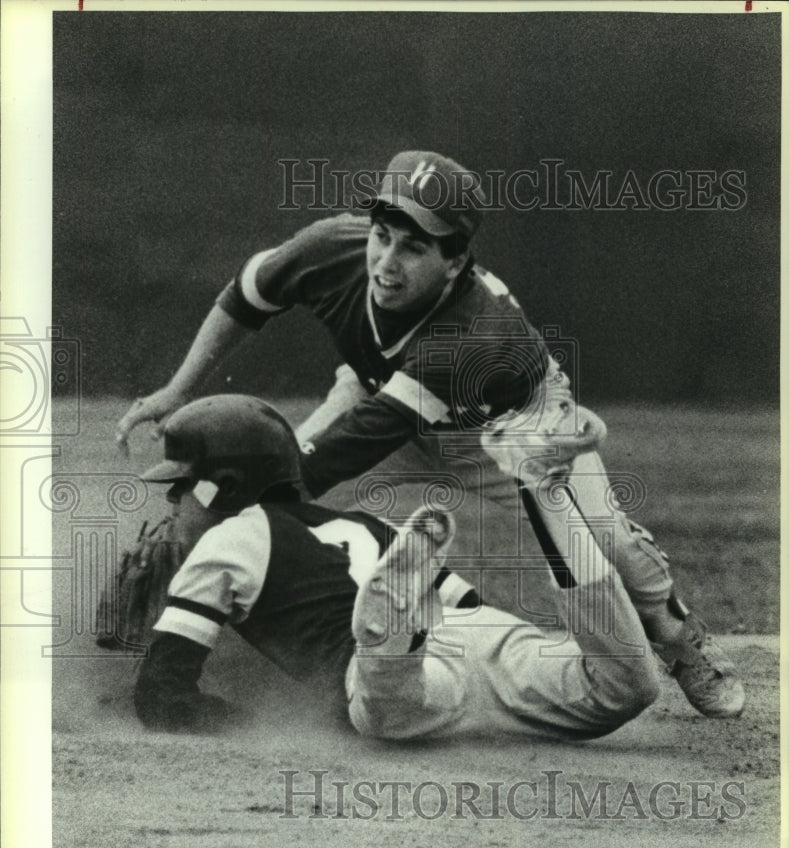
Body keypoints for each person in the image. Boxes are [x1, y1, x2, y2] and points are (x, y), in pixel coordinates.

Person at [117, 149, 741, 705]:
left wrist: (233, 492)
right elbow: (243, 299)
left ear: (455, 262)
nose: (386, 261)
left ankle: (682, 640)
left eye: (413, 247)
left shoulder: (472, 331)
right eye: (382, 234)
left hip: (515, 429)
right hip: (382, 395)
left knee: (604, 539)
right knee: (260, 506)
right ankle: (190, 635)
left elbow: (333, 456)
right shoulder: (328, 249)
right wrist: (178, 393)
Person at [132, 394, 744, 736]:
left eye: (178, 489)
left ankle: (393, 634)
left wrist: (253, 728)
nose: (173, 505)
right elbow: (471, 610)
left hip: (397, 680)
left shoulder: (228, 540)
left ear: (222, 487)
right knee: (624, 691)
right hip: (485, 639)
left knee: (387, 715)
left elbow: (163, 696)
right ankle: (544, 492)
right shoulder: (363, 525)